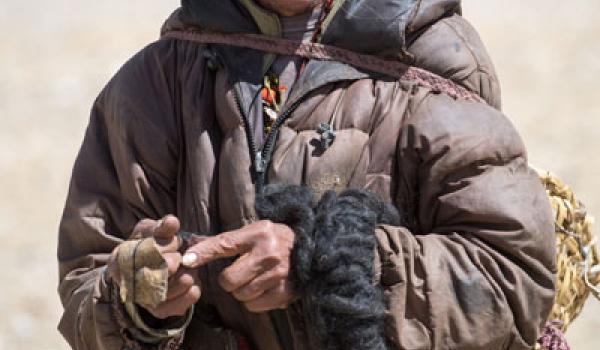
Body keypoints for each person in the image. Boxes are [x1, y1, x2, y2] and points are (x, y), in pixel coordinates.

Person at [57, 0, 556, 349]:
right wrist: (139, 302)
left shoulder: (427, 75)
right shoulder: (152, 86)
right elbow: (87, 277)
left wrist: (324, 262)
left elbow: (514, 279)